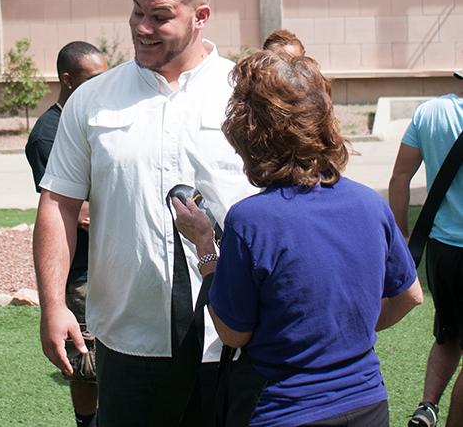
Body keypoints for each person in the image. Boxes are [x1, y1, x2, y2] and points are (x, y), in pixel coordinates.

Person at [33, 0, 257, 427]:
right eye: (137, 11)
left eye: (159, 17)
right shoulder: (93, 100)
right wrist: (53, 305)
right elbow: (59, 203)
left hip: (234, 337)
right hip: (128, 340)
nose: (142, 28)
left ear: (201, 17)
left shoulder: (246, 95)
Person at [175, 50, 422, 426]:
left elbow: (233, 333)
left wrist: (206, 249)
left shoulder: (251, 220)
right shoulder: (370, 203)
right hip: (368, 404)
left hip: (283, 410)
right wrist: (342, 333)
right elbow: (410, 296)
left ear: (248, 136)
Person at [26, 41, 108, 427]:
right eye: (94, 78)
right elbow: (79, 213)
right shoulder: (48, 133)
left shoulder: (93, 117)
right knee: (86, 361)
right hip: (81, 271)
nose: (102, 85)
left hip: (109, 262)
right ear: (67, 80)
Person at [389, 71, 463, 427]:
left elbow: (400, 177)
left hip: (440, 249)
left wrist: (401, 235)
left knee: (448, 334)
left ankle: (427, 406)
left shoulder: (429, 112)